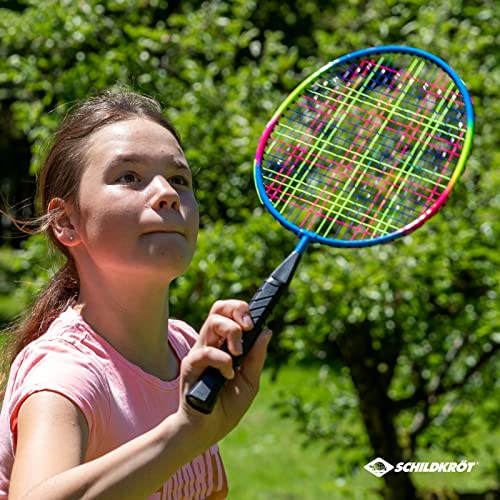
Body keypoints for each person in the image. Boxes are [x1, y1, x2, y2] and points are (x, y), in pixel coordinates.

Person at [0, 89, 271, 499]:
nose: (167, 192)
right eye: (128, 177)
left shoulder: (183, 348)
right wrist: (185, 431)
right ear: (65, 222)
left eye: (180, 179)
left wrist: (193, 430)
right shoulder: (67, 373)